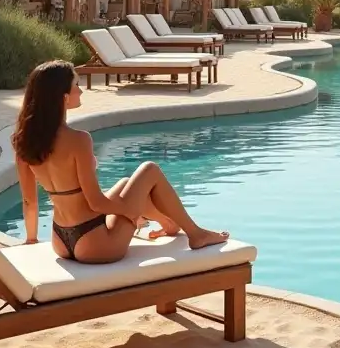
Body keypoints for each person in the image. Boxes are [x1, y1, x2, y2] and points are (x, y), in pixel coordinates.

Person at [12, 60, 229, 264]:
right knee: (149, 170)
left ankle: (168, 224)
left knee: (127, 183)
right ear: (64, 97)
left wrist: (31, 240)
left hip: (60, 240)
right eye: (76, 84)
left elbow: (30, 202)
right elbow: (96, 203)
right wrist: (130, 213)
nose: (81, 90)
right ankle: (196, 234)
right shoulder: (78, 140)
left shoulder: (25, 142)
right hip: (95, 243)